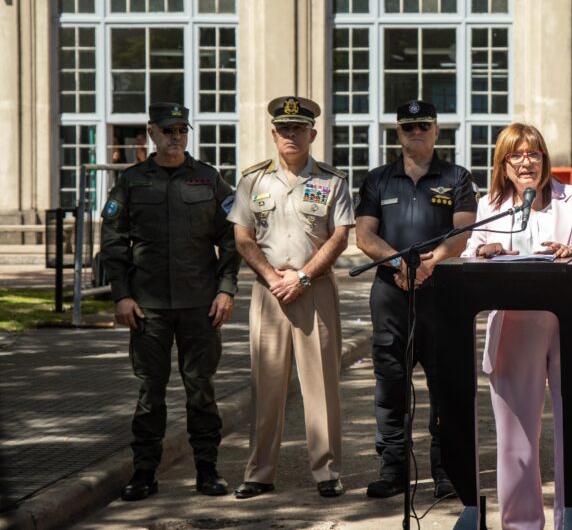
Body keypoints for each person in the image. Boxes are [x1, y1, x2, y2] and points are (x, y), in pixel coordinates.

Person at [462, 123, 572, 530]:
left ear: (544, 160)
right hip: (514, 326)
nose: (526, 162)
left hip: (571, 326)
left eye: (534, 154)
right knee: (516, 440)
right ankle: (521, 524)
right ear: (504, 164)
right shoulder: (491, 204)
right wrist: (487, 250)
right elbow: (470, 253)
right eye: (516, 155)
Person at [100, 102, 239, 501]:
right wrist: (122, 295)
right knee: (150, 392)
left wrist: (226, 288)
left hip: (200, 304)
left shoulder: (209, 180)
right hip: (148, 306)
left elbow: (230, 237)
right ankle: (144, 473)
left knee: (201, 389)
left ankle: (207, 470)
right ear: (151, 133)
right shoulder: (131, 182)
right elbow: (113, 241)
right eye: (168, 131)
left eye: (182, 130)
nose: (176, 137)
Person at [228, 96, 354, 499]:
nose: (291, 135)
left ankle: (327, 471)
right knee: (266, 386)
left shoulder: (333, 181)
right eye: (284, 129)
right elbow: (242, 237)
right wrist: (270, 276)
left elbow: (339, 236)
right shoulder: (252, 180)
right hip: (268, 293)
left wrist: (301, 276)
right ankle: (259, 472)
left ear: (312, 134)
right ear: (273, 134)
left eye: (298, 129)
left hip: (313, 289)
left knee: (321, 386)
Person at [354, 100, 477, 499]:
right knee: (390, 386)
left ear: (437, 130)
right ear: (398, 133)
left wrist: (432, 262)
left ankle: (445, 470)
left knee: (445, 386)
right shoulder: (377, 179)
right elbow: (364, 236)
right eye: (408, 127)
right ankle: (392, 470)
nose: (416, 132)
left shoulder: (457, 177)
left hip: (442, 297)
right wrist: (399, 265)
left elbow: (463, 232)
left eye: (424, 125)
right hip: (392, 296)